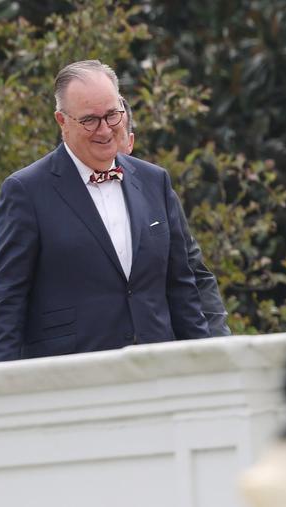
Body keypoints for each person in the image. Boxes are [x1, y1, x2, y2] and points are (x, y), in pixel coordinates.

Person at [0, 60, 210, 362]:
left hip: (158, 373)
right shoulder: (25, 190)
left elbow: (183, 288)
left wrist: (210, 364)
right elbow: (6, 302)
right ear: (62, 121)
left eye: (113, 115)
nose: (105, 130)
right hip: (71, 380)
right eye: (90, 120)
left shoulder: (156, 181)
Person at [118, 98, 230, 336]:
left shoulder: (156, 188)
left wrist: (218, 342)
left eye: (114, 131)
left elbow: (194, 274)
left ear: (130, 143)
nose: (104, 140)